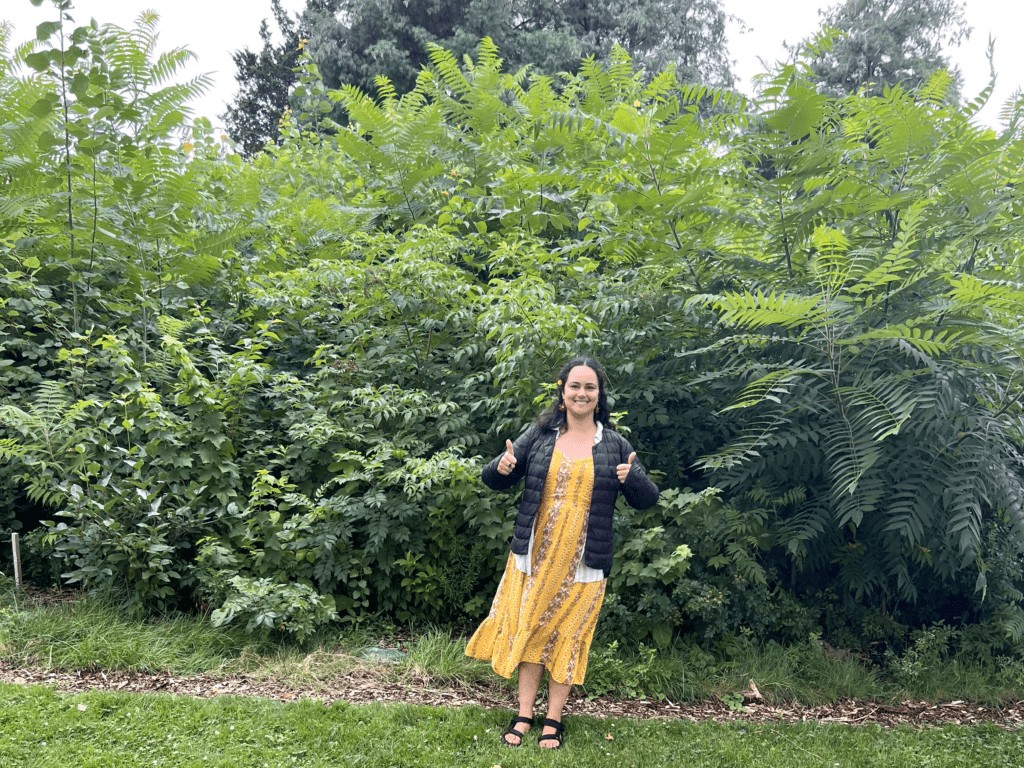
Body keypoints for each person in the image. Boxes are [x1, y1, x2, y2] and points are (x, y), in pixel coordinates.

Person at [465, 356, 659, 749]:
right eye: (575, 386)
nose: (582, 393)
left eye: (590, 387)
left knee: (568, 635)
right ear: (563, 391)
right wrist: (499, 466)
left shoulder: (615, 444)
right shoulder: (539, 435)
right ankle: (523, 714)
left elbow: (646, 500)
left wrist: (634, 478)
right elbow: (495, 478)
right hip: (535, 556)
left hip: (585, 561)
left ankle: (553, 719)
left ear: (599, 395)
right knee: (532, 629)